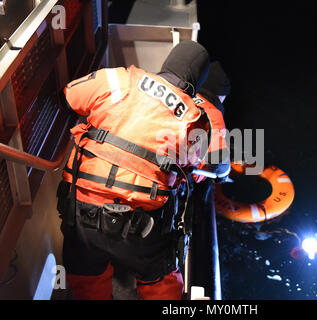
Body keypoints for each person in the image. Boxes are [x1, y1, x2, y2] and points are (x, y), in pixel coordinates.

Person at [56, 40, 210, 300]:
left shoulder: (118, 79)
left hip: (80, 211)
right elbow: (194, 167)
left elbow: (67, 98)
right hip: (143, 227)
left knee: (87, 280)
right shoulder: (196, 118)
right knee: (162, 281)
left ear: (166, 65)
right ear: (195, 84)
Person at [192, 61, 231, 183]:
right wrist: (224, 173)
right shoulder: (213, 113)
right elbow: (219, 158)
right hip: (169, 178)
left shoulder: (183, 95)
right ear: (219, 95)